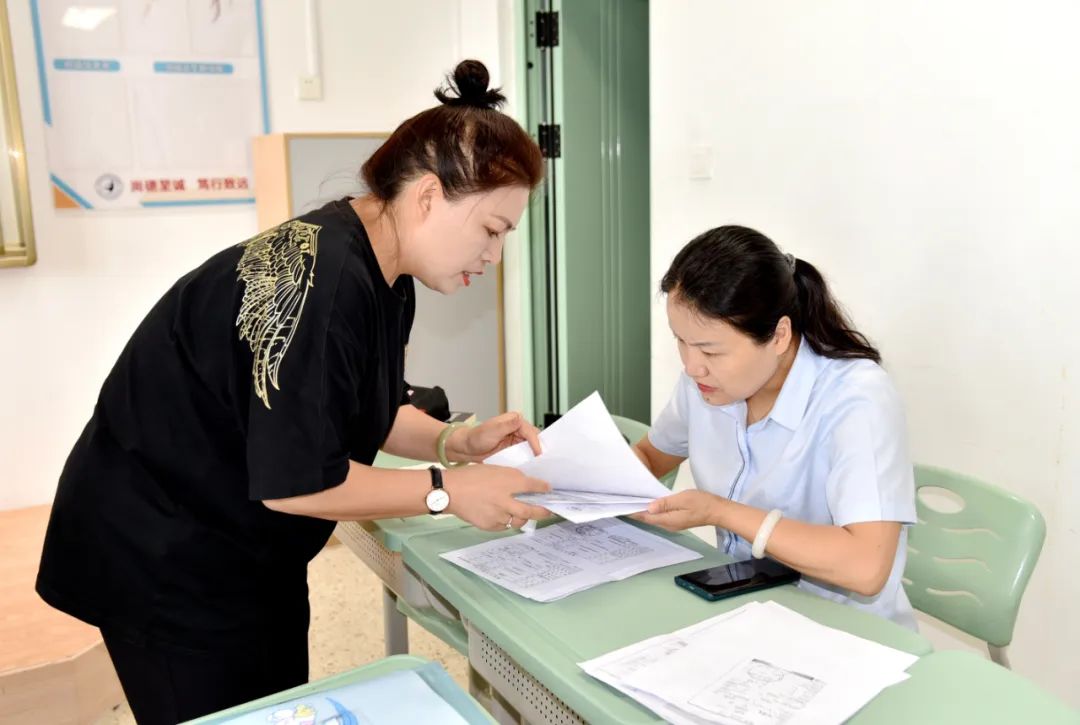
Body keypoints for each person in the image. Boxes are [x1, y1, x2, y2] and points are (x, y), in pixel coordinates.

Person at [36, 59, 552, 724]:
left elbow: (362, 403)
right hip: (165, 549)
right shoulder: (329, 280)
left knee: (280, 705)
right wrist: (447, 489)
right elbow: (298, 480)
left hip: (246, 545)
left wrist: (454, 440)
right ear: (428, 196)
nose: (494, 255)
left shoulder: (384, 270)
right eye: (491, 230)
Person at [632, 225, 918, 629]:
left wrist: (720, 512)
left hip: (847, 634)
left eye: (711, 349)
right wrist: (585, 489)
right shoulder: (704, 383)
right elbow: (648, 456)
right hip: (745, 614)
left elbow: (866, 567)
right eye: (681, 341)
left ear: (779, 335)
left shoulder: (855, 399)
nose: (691, 365)